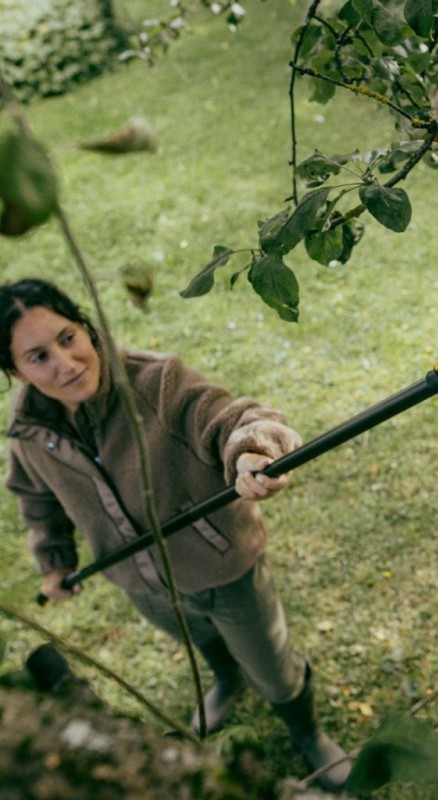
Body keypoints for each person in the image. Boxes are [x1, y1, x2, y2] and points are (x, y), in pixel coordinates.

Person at [0, 278, 351, 792]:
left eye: (68, 337)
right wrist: (55, 561)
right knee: (199, 637)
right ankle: (226, 679)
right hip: (143, 584)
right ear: (15, 372)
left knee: (273, 669)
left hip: (225, 570)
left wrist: (253, 449)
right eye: (38, 357)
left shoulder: (157, 382)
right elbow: (38, 499)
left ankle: (307, 732)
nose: (66, 363)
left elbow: (230, 418)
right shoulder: (31, 432)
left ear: (86, 328)